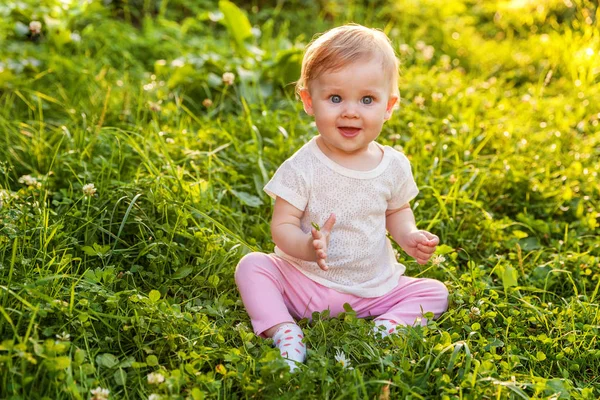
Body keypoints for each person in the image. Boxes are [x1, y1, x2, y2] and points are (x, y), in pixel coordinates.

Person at [235, 24, 449, 371]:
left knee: (435, 292)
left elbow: (398, 210)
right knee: (252, 267)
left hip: (372, 289)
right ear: (309, 101)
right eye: (335, 98)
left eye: (367, 100)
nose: (351, 111)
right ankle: (284, 330)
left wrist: (408, 235)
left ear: (389, 106)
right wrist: (306, 247)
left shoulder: (393, 164)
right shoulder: (302, 166)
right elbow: (282, 225)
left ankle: (386, 327)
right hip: (304, 283)